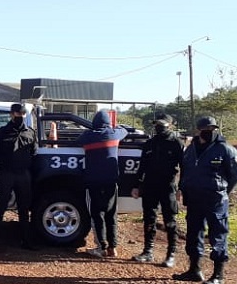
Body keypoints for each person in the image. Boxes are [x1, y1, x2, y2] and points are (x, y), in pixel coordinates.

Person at [172, 116, 237, 284]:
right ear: (198, 130)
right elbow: (185, 171)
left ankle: (218, 276)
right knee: (193, 233)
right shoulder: (190, 149)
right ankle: (194, 270)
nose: (209, 132)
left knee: (217, 235)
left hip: (215, 200)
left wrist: (223, 191)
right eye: (205, 129)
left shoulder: (225, 149)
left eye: (212, 129)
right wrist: (182, 188)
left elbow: (235, 175)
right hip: (194, 198)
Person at [130, 113, 185, 267]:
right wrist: (136, 185)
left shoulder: (177, 143)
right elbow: (142, 166)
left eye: (162, 125)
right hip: (150, 186)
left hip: (168, 186)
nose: (159, 128)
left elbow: (184, 168)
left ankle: (171, 254)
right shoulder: (150, 143)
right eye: (157, 125)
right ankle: (148, 251)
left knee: (170, 221)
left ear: (170, 125)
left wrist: (182, 188)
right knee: (149, 219)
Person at [0, 103, 38, 251]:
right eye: (17, 114)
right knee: (0, 208)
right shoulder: (1, 132)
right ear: (11, 114)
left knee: (24, 209)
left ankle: (26, 241)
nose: (19, 116)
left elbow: (34, 152)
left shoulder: (30, 133)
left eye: (22, 114)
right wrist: (3, 164)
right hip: (6, 174)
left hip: (23, 175)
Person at [77, 110, 128, 258]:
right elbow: (124, 130)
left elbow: (77, 140)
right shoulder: (114, 134)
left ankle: (101, 247)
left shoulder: (87, 136)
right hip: (111, 181)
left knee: (97, 214)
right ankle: (113, 248)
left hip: (93, 181)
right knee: (111, 215)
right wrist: (115, 127)